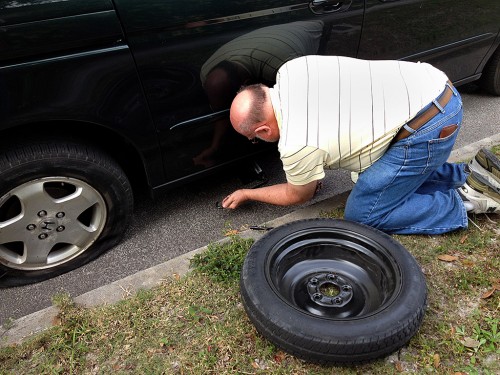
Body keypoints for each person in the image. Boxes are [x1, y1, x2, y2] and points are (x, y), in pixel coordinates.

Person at [221, 55, 500, 234]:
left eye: (255, 138)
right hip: (434, 84)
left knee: (363, 213)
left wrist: (249, 193)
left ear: (263, 128)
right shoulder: (292, 69)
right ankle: (471, 175)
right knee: (377, 177)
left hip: (429, 125)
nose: (256, 141)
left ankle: (464, 200)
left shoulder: (296, 143)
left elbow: (297, 195)